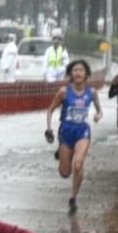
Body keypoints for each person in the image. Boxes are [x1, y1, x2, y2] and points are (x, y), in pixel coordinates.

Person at [44, 60, 102, 213]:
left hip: (82, 131)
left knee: (78, 164)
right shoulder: (64, 91)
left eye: (81, 70)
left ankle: (73, 198)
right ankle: (60, 152)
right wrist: (49, 128)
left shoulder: (92, 92)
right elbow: (50, 110)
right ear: (71, 74)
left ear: (86, 74)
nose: (78, 73)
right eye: (75, 70)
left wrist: (98, 115)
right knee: (65, 173)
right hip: (66, 131)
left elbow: (99, 110)